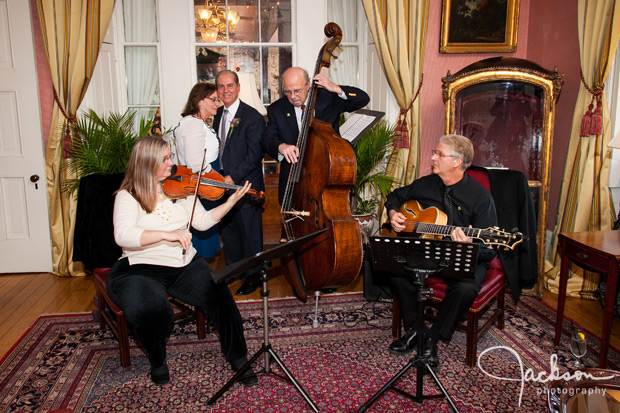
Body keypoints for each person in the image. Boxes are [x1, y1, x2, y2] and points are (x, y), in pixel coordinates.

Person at [107, 136, 257, 386]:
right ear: (146, 162)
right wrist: (166, 234)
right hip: (140, 269)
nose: (171, 163)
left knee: (221, 296)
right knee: (154, 311)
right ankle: (157, 359)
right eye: (165, 159)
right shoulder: (128, 195)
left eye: (170, 156)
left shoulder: (181, 188)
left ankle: (238, 356)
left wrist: (230, 203)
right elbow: (123, 235)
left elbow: (201, 222)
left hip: (184, 264)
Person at [384, 134, 497, 367]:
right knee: (395, 268)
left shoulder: (480, 198)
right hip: (426, 252)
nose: (433, 157)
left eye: (439, 154)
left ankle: (431, 338)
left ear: (457, 162)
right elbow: (395, 196)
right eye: (434, 152)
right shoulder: (426, 184)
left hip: (462, 258)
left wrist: (469, 244)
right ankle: (416, 329)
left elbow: (489, 249)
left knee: (465, 288)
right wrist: (394, 214)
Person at [262, 67, 370, 206]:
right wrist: (281, 147)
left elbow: (363, 99)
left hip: (326, 178)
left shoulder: (328, 99)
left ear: (308, 85)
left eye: (297, 90)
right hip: (293, 183)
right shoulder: (277, 109)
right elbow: (266, 140)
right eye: (288, 92)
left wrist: (336, 88)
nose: (293, 96)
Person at [213, 70, 266, 295]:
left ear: (238, 87)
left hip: (246, 187)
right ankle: (234, 272)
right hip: (223, 186)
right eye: (221, 87)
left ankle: (254, 278)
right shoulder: (217, 115)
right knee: (230, 232)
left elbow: (255, 156)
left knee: (250, 235)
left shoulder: (252, 117)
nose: (225, 90)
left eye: (229, 86)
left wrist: (231, 178)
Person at [174, 82, 222, 258]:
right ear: (199, 101)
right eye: (213, 99)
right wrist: (218, 179)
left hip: (202, 180)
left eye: (218, 100)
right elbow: (196, 163)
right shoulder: (194, 124)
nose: (217, 103)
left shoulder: (193, 122)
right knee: (202, 226)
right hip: (203, 182)